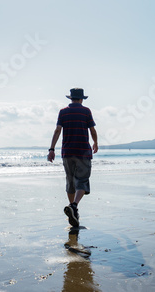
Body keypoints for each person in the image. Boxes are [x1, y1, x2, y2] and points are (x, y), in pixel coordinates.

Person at [47, 88, 98, 227]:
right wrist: (96, 142)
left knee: (70, 182)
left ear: (71, 98)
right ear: (81, 99)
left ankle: (73, 210)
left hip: (67, 152)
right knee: (82, 180)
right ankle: (74, 206)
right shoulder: (86, 111)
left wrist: (52, 149)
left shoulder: (63, 112)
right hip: (82, 152)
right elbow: (92, 130)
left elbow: (57, 130)